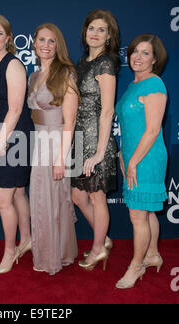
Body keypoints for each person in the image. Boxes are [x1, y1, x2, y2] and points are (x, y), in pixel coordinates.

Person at [0, 14, 34, 274]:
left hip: (15, 136)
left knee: (2, 197)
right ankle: (26, 239)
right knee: (17, 193)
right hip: (2, 134)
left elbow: (15, 108)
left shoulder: (13, 64)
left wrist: (0, 142)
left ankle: (10, 251)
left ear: (8, 37)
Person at [115, 34, 168, 289]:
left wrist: (134, 160)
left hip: (147, 158)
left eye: (145, 53)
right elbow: (128, 126)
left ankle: (136, 266)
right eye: (135, 51)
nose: (138, 56)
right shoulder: (133, 85)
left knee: (137, 215)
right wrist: (123, 155)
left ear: (155, 59)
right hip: (133, 155)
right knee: (145, 211)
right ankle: (152, 254)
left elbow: (152, 130)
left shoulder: (154, 85)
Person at [28, 23, 79, 275]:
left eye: (51, 41)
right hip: (39, 141)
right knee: (40, 199)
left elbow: (69, 121)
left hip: (58, 140)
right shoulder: (33, 77)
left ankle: (56, 256)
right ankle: (49, 252)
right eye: (41, 40)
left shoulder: (66, 73)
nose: (45, 45)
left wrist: (61, 159)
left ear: (58, 45)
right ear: (34, 43)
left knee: (55, 199)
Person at [71, 9, 120, 271]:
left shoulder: (105, 63)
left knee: (98, 199)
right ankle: (105, 239)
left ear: (109, 36)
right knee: (78, 196)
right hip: (78, 141)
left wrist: (99, 153)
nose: (95, 33)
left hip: (96, 141)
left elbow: (108, 111)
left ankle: (98, 248)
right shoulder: (82, 62)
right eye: (92, 28)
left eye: (102, 29)